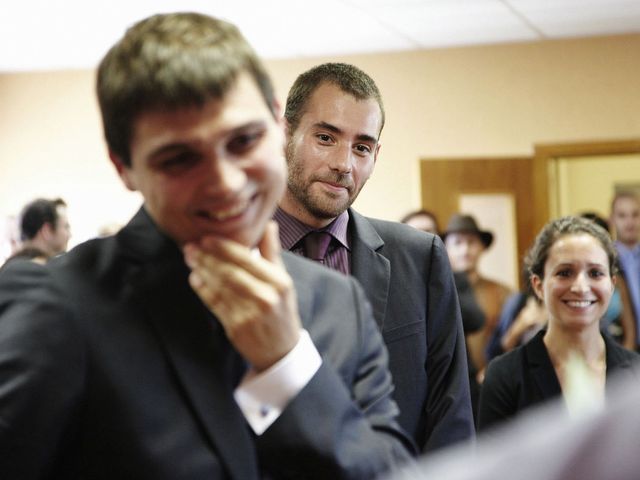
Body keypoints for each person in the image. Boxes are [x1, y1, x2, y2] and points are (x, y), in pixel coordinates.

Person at [0, 13, 414, 478]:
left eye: (243, 140)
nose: (226, 183)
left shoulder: (339, 303)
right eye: (180, 159)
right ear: (125, 167)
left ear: (277, 124)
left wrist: (285, 365)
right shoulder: (55, 304)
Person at [274, 62, 474, 451]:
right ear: (285, 134)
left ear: (376, 156)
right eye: (326, 138)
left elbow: (451, 414)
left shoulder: (419, 257)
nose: (344, 164)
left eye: (361, 147)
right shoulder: (231, 257)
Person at [478, 216, 640, 431]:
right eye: (565, 273)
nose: (581, 287)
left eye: (595, 273)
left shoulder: (635, 374)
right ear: (538, 285)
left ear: (611, 285)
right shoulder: (505, 376)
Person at [442, 214, 512, 379]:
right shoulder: (440, 292)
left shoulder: (502, 292)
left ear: (482, 247)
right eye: (457, 243)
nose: (465, 250)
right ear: (445, 247)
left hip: (495, 377)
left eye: (471, 242)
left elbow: (511, 337)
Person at [610, 191, 640, 349]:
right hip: (622, 348)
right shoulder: (605, 261)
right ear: (612, 219)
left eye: (635, 215)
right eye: (622, 215)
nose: (630, 222)